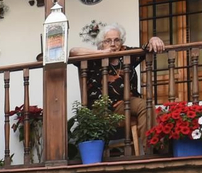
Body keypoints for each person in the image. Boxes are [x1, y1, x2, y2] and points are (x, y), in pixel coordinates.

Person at [69, 23, 166, 154]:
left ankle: (151, 151)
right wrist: (102, 53)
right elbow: (73, 52)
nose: (113, 44)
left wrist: (154, 39)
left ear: (121, 42)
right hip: (101, 109)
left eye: (117, 40)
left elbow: (147, 48)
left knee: (146, 106)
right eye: (108, 41)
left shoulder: (127, 53)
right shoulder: (93, 58)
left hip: (126, 103)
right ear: (102, 43)